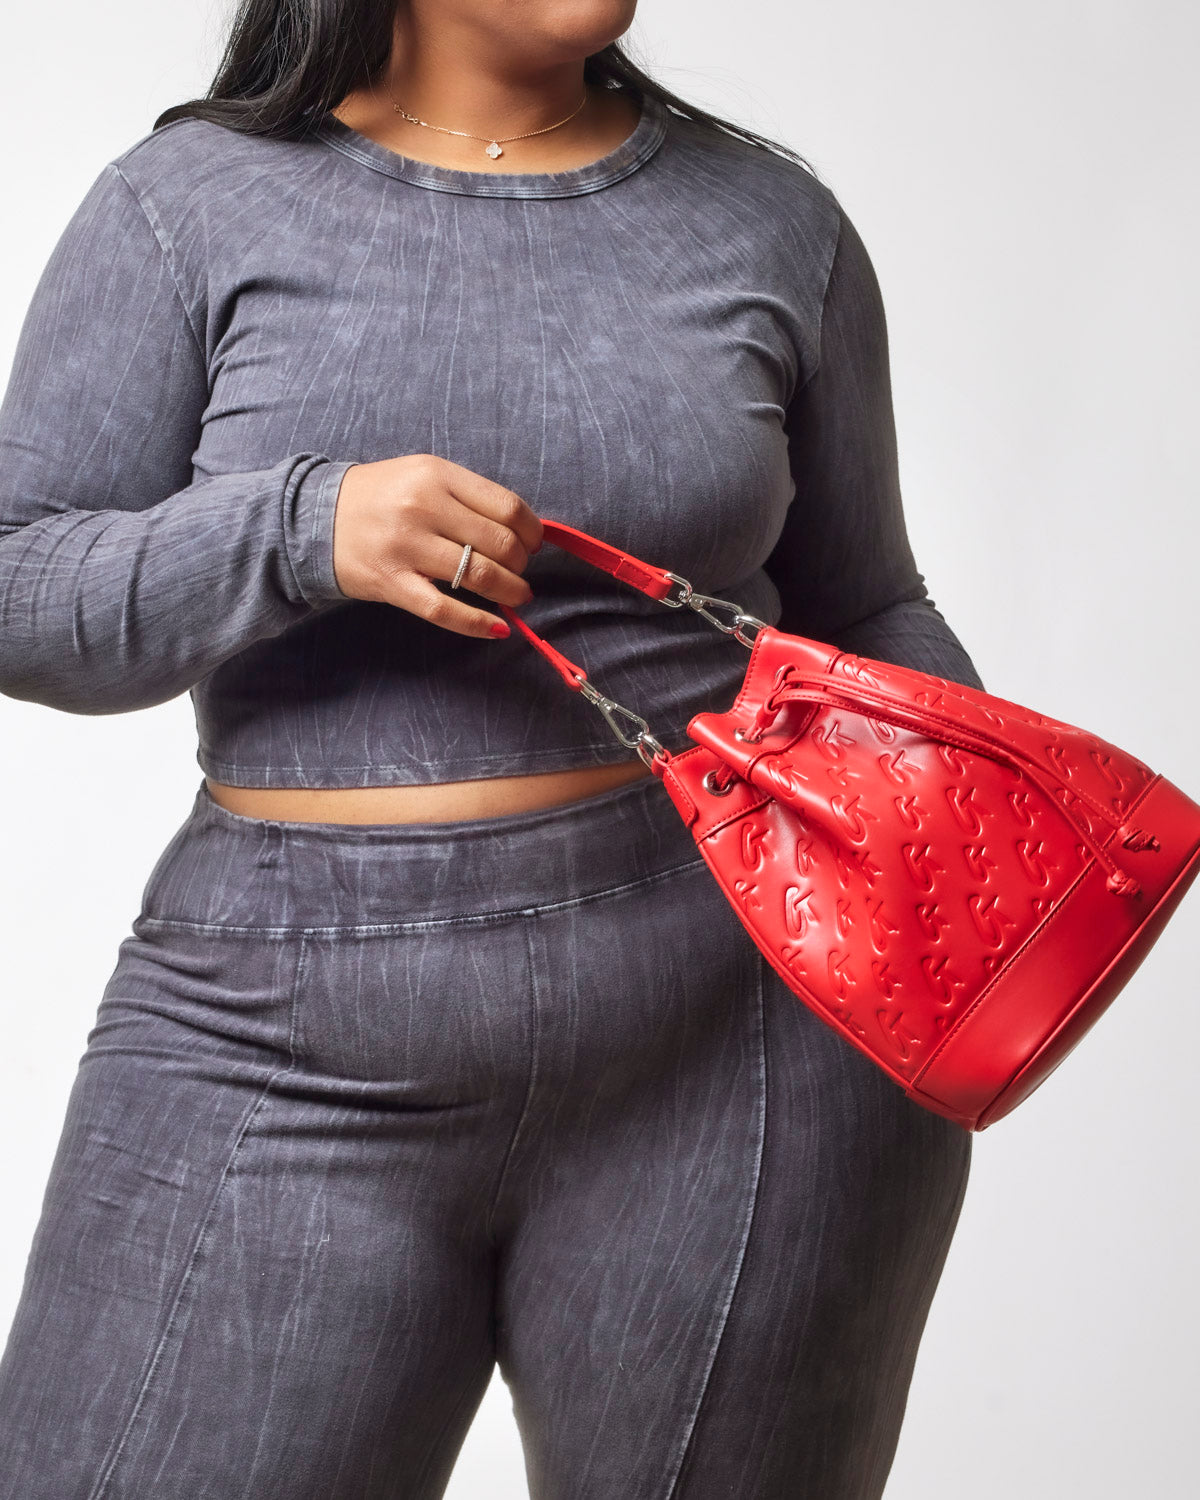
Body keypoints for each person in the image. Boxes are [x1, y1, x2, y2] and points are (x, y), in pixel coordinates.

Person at [0, 2, 985, 1495]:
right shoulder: (184, 207)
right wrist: (298, 526)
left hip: (747, 1041)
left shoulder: (775, 221)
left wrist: (978, 858)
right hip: (280, 1033)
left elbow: (868, 604)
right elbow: (19, 589)